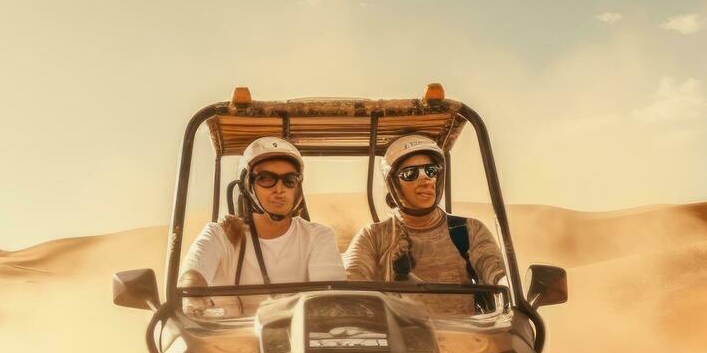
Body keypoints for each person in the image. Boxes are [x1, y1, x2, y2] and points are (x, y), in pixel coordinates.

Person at [178, 136, 345, 315]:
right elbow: (192, 277)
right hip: (230, 340)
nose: (279, 189)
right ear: (247, 186)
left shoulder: (318, 236)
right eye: (266, 179)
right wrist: (193, 297)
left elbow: (330, 298)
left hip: (298, 340)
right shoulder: (221, 234)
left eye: (289, 180)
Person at [343, 133, 507, 314]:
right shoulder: (373, 236)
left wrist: (505, 284)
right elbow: (351, 280)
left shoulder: (468, 230)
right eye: (410, 174)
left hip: (465, 336)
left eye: (431, 171)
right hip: (398, 338)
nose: (425, 179)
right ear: (393, 184)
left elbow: (496, 273)